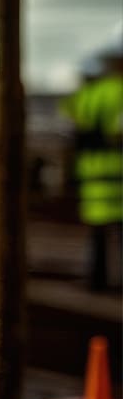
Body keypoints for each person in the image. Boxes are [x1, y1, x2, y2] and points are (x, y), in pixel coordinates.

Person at [63, 36, 123, 291]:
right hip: (117, 173)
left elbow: (72, 134)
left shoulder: (81, 97)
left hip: (91, 175)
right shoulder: (118, 91)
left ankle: (96, 282)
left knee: (96, 234)